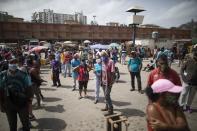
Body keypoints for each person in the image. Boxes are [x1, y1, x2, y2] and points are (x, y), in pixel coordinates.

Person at [0, 58, 32, 131]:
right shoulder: (2, 75)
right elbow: (1, 90)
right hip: (9, 104)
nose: (13, 64)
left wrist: (29, 101)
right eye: (11, 62)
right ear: (8, 64)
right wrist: (1, 105)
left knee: (25, 124)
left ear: (17, 64)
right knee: (12, 126)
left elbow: (29, 88)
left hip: (22, 103)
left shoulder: (24, 75)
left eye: (15, 63)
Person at [179, 48, 197, 113]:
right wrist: (184, 78)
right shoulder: (188, 61)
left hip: (195, 84)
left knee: (191, 96)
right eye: (195, 54)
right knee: (183, 94)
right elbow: (181, 70)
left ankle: (188, 107)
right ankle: (181, 106)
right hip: (186, 82)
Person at [100, 51, 115, 116]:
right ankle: (106, 106)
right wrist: (101, 80)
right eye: (101, 56)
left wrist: (111, 82)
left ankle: (111, 109)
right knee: (105, 95)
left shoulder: (111, 62)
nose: (102, 57)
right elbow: (102, 71)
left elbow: (113, 73)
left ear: (106, 55)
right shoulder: (102, 62)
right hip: (103, 81)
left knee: (107, 95)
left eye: (103, 56)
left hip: (109, 82)